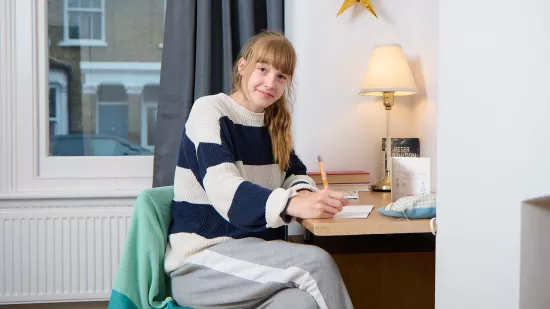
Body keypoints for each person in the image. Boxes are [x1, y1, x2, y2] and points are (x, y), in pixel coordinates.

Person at [165, 31, 354, 309]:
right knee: (316, 263)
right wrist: (291, 204)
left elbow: (295, 173)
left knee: (301, 304)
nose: (270, 82)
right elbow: (225, 191)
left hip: (253, 262)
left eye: (281, 76)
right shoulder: (209, 111)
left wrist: (301, 192)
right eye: (263, 69)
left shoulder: (272, 123)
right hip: (203, 265)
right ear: (242, 67)